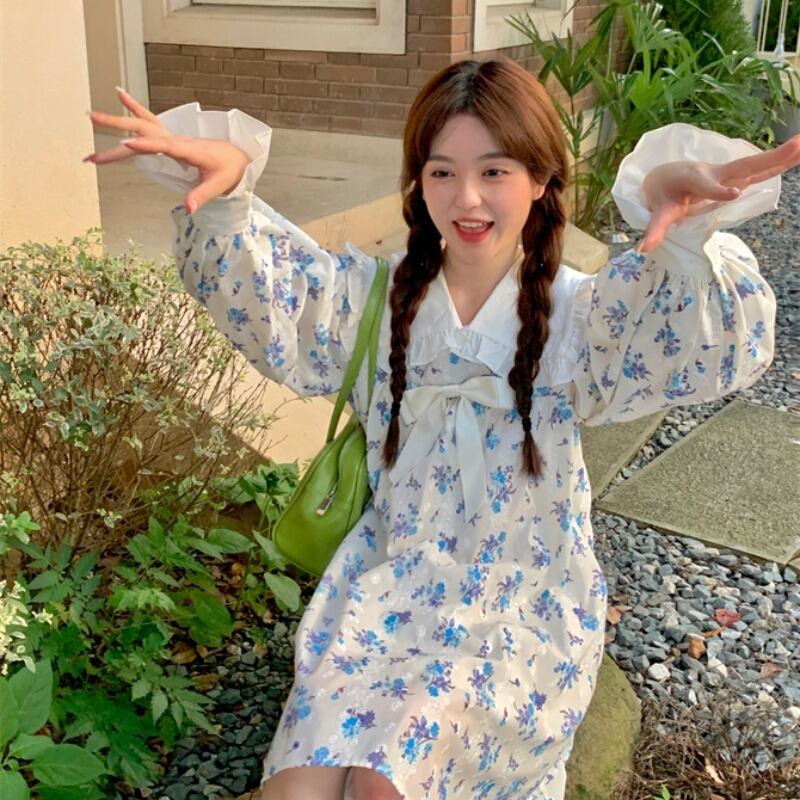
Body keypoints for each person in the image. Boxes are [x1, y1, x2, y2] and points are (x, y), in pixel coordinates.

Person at [86, 57, 798, 800]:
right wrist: (231, 195)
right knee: (295, 790)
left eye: (495, 171)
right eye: (441, 172)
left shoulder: (579, 317)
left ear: (541, 179)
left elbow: (692, 337)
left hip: (522, 607)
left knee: (383, 784)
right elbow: (275, 296)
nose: (467, 198)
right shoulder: (373, 301)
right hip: (388, 586)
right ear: (417, 181)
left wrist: (680, 225)